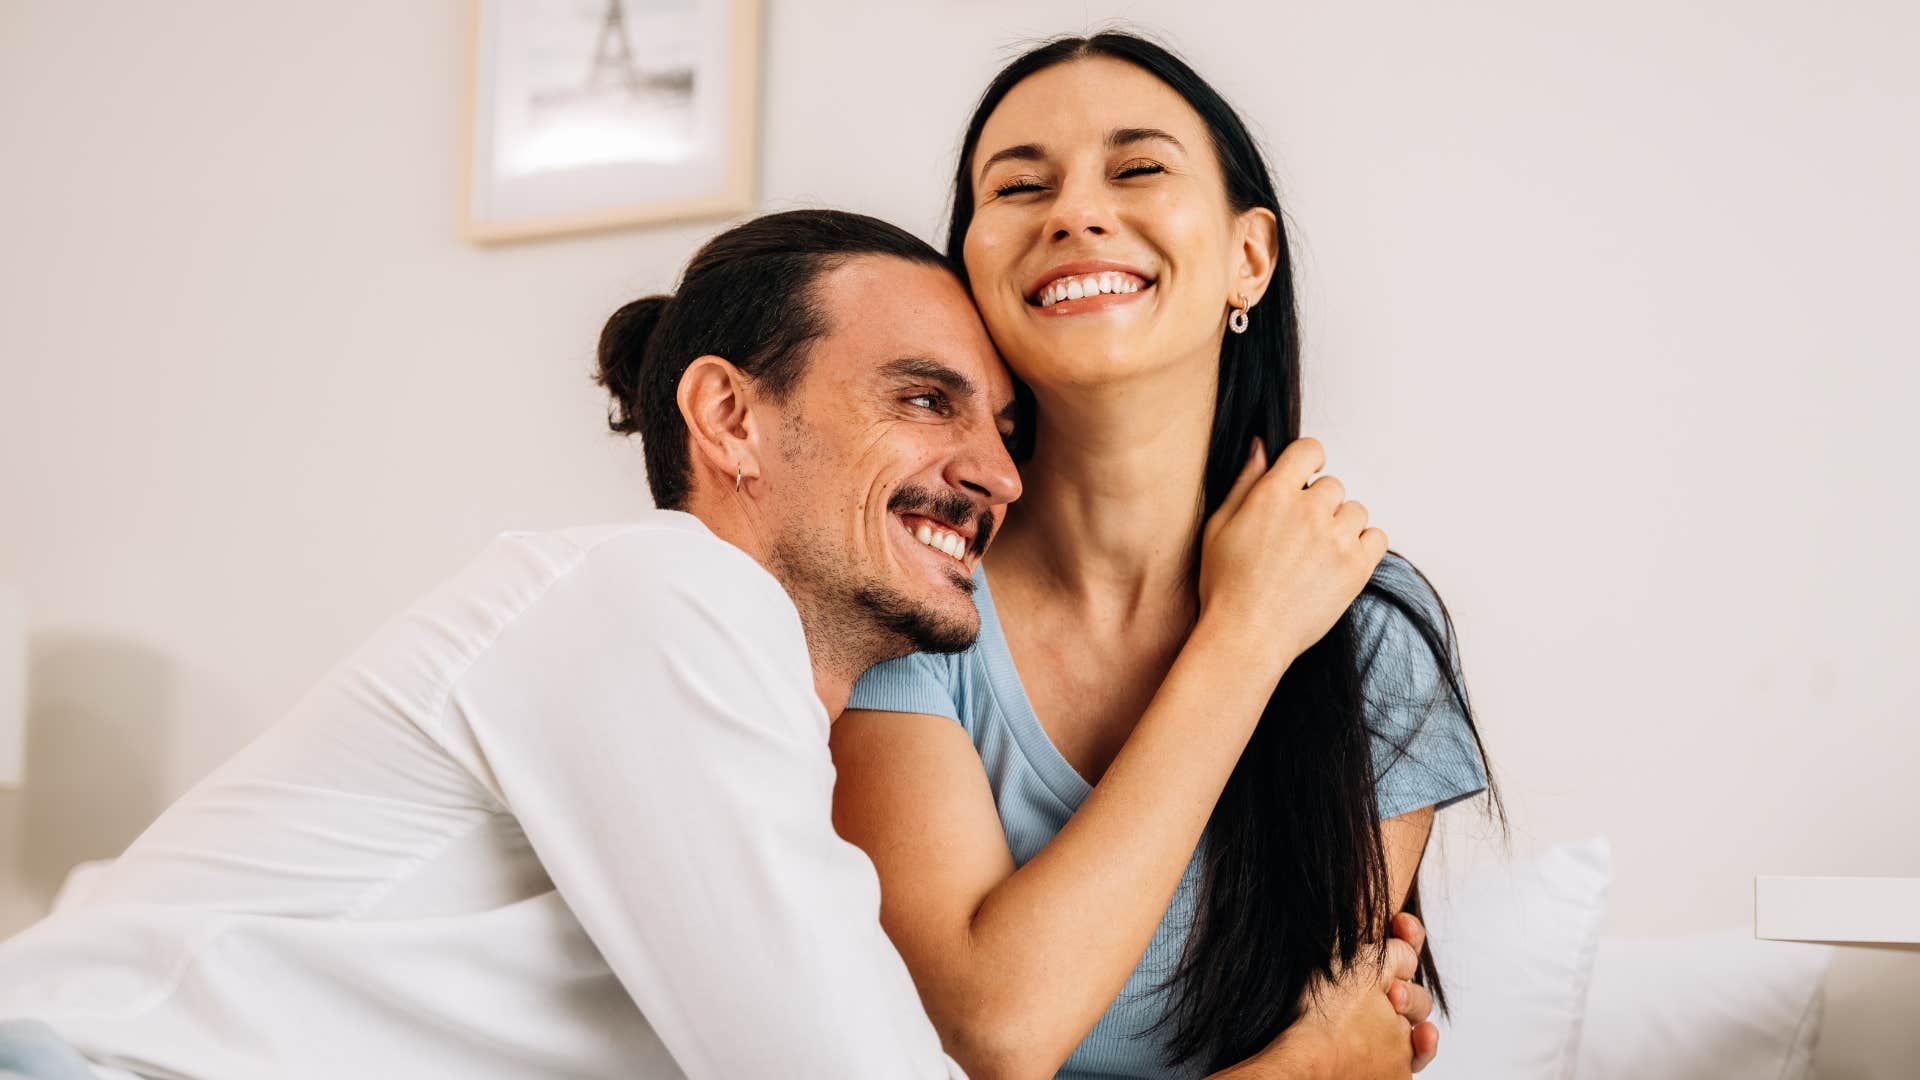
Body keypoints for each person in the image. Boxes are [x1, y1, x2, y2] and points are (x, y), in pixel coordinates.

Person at [0, 209, 1433, 1080]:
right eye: (926, 400)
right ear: (731, 419)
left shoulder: (801, 765)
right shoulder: (662, 603)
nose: (992, 471)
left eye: (1001, 426)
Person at [829, 34, 1497, 1080]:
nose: (1073, 213)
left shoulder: (1368, 630)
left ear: (1250, 259)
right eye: (1018, 186)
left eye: (1138, 167)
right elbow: (988, 1035)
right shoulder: (911, 596)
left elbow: (1352, 1029)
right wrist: (1244, 637)